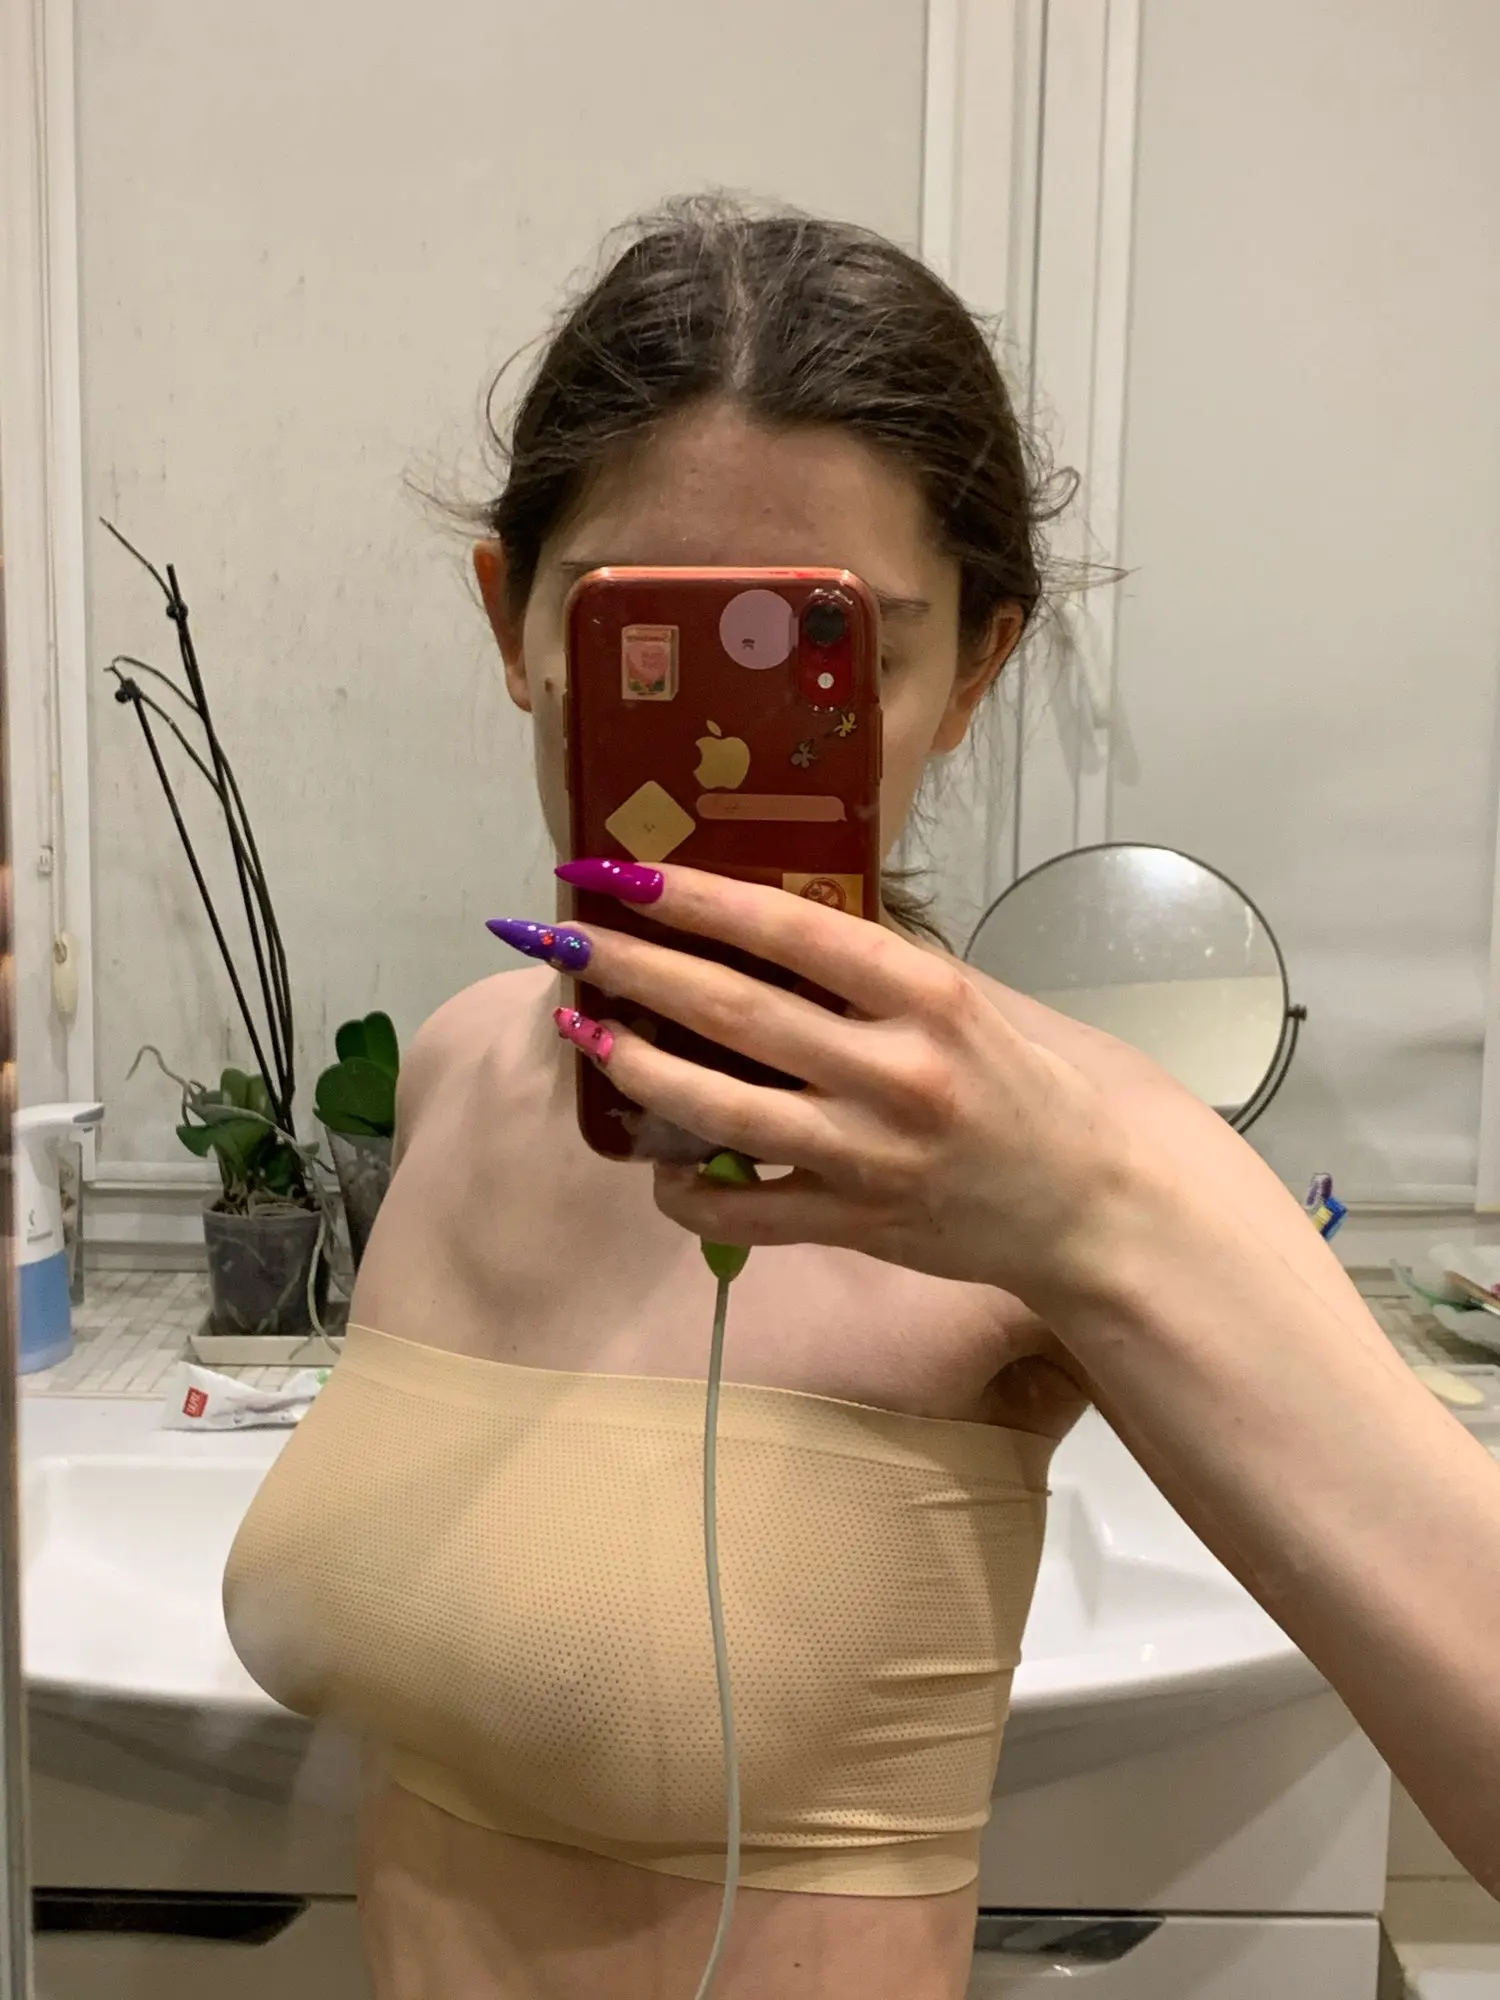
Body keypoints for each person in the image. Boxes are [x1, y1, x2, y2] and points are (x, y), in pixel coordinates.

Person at [223, 196, 1498, 2000]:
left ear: (971, 674)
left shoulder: (1077, 1152)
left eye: (844, 657)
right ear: (513, 626)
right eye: (638, 639)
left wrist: (1092, 1217)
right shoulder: (457, 1066)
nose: (726, 750)